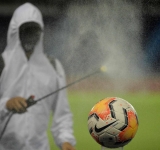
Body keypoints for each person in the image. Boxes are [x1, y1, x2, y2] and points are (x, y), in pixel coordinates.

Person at [0, 2, 76, 150]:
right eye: (26, 30)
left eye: (34, 31)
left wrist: (66, 141)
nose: (30, 35)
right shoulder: (2, 63)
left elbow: (62, 114)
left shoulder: (53, 67)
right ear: (16, 31)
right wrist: (6, 104)